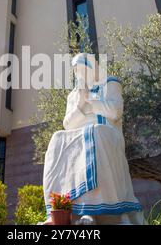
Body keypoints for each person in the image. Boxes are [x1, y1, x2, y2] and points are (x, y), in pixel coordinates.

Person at [43, 53, 144, 225]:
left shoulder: (110, 83)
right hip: (80, 135)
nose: (80, 75)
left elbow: (114, 112)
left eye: (84, 69)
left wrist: (91, 102)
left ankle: (97, 211)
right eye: (76, 71)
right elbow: (67, 124)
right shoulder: (74, 96)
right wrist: (81, 105)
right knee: (57, 139)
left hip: (107, 134)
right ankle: (61, 211)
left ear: (94, 69)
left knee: (95, 133)